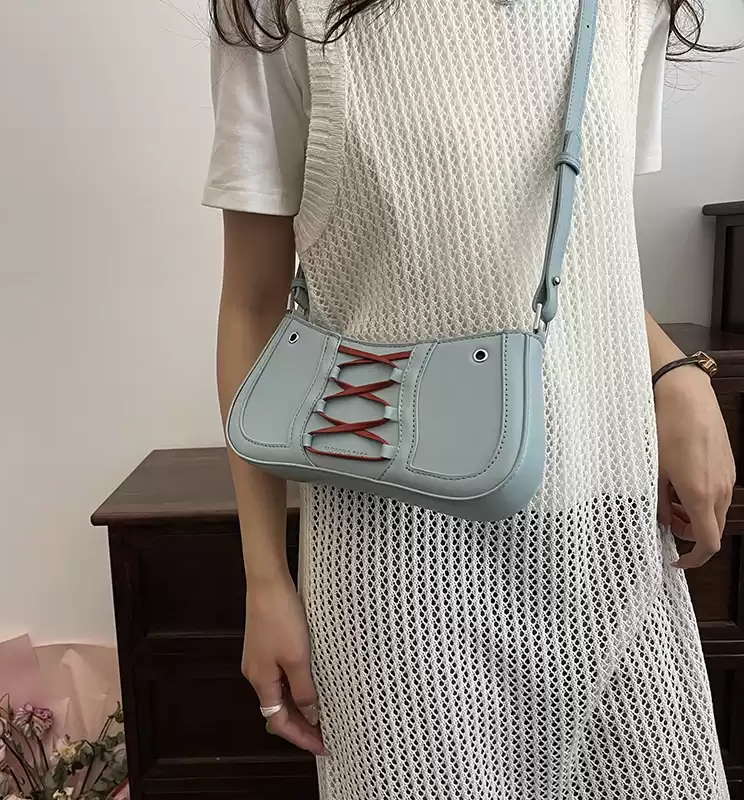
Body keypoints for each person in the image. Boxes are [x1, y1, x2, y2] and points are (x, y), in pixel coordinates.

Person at [205, 0, 737, 796]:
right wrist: (264, 578)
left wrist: (674, 374)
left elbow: (578, 248)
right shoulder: (280, 13)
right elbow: (252, 303)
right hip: (394, 570)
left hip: (609, 540)